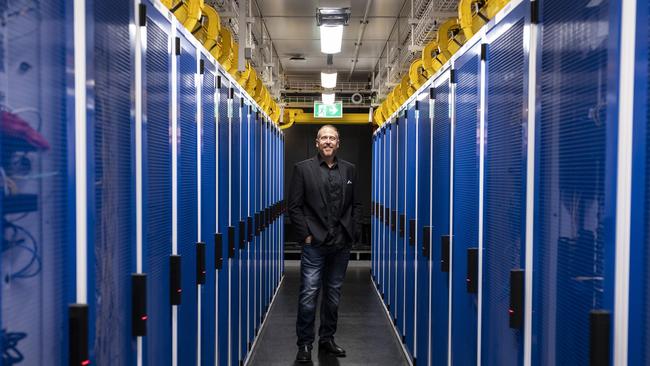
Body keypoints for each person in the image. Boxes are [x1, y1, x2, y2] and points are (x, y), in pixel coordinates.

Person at [288, 124, 362, 363]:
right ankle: (305, 344)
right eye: (324, 138)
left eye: (332, 138)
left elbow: (356, 205)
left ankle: (327, 339)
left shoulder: (349, 170)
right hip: (315, 245)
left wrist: (353, 232)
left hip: (341, 244)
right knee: (309, 294)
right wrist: (306, 237)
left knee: (333, 295)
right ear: (317, 143)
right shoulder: (303, 169)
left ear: (338, 143)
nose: (328, 141)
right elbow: (295, 207)